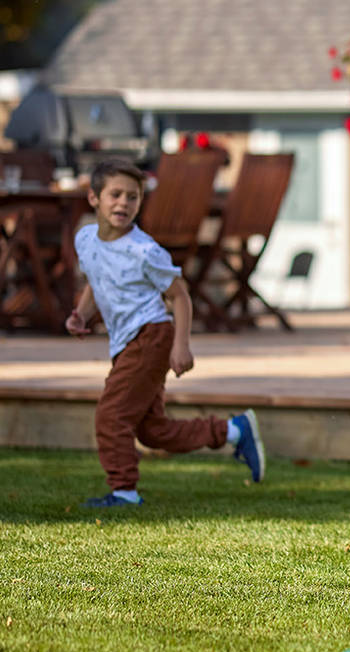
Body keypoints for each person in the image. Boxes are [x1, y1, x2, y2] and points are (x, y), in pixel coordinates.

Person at [67, 160, 263, 507]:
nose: (123, 204)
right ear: (94, 198)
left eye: (133, 197)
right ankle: (234, 430)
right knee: (153, 430)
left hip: (151, 335)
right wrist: (81, 316)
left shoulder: (144, 251)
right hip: (128, 342)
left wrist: (181, 346)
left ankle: (124, 493)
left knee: (112, 416)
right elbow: (96, 280)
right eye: (115, 195)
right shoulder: (85, 239)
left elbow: (180, 295)